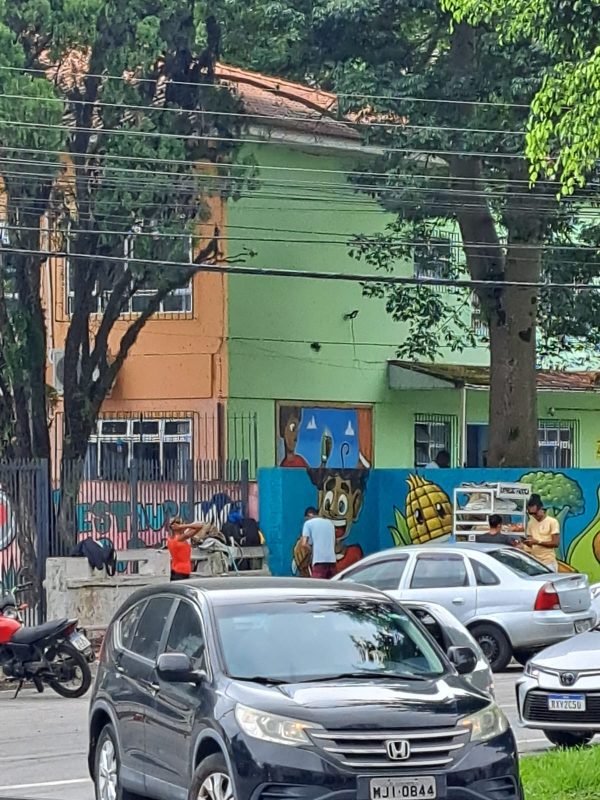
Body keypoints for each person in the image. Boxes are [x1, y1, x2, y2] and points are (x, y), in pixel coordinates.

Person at [523, 494, 560, 571]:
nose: (534, 516)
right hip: (534, 562)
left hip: (548, 562)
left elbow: (555, 543)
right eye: (531, 514)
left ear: (541, 509)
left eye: (535, 513)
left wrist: (538, 542)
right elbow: (530, 543)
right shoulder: (531, 523)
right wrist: (525, 543)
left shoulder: (552, 522)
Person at [300, 506, 336, 579]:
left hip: (319, 561)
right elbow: (334, 541)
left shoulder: (308, 523)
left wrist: (312, 550)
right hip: (332, 561)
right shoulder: (330, 523)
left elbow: (304, 543)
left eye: (306, 519)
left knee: (317, 586)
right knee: (332, 587)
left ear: (309, 515)